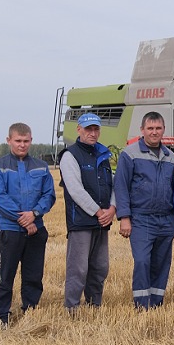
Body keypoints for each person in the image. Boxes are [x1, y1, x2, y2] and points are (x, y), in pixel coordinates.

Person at [0, 122, 56, 325]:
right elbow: (0, 198)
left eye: (26, 141)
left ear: (31, 141)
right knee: (5, 276)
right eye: (18, 141)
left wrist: (34, 214)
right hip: (10, 230)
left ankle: (30, 313)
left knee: (33, 276)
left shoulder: (41, 167)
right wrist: (25, 220)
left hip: (36, 230)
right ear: (9, 140)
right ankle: (3, 316)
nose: (22, 145)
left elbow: (49, 195)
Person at [114, 111, 174, 309]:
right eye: (150, 128)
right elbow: (121, 187)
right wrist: (124, 217)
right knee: (142, 261)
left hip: (166, 219)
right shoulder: (129, 154)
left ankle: (156, 303)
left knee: (161, 264)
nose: (154, 132)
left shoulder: (171, 157)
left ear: (164, 130)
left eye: (158, 128)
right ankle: (142, 305)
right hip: (141, 219)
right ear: (142, 130)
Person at [58, 112, 116, 311]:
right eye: (88, 129)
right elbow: (75, 190)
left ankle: (94, 306)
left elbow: (113, 185)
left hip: (102, 221)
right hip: (82, 221)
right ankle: (72, 308)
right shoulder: (70, 155)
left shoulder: (103, 154)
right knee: (78, 269)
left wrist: (112, 209)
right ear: (79, 129)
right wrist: (99, 212)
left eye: (95, 129)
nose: (92, 133)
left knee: (100, 267)